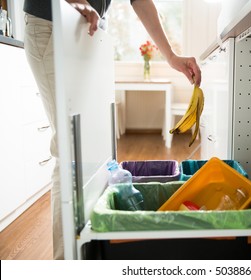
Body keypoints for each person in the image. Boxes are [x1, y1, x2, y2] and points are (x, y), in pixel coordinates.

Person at [23, 0, 202, 260]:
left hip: (88, 28)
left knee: (96, 147)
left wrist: (171, 57)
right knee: (70, 147)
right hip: (52, 21)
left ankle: (93, 249)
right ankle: (66, 263)